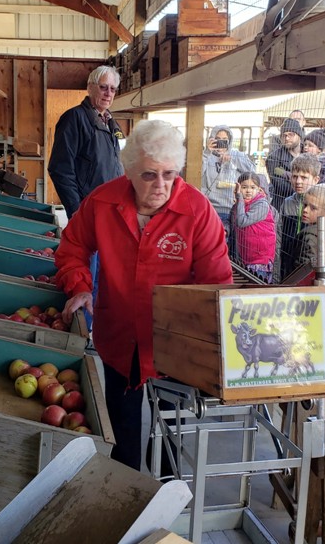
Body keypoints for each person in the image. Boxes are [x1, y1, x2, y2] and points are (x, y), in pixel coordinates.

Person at [54, 119, 233, 471]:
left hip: (176, 341)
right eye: (150, 175)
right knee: (122, 428)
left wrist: (208, 344)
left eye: (169, 174)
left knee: (171, 430)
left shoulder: (197, 211)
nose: (161, 185)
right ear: (129, 171)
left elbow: (217, 282)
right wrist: (79, 287)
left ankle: (166, 497)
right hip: (119, 332)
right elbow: (72, 247)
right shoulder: (102, 202)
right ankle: (126, 491)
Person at [48, 65, 124, 219]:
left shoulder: (111, 123)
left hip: (111, 207)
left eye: (113, 89)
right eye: (103, 87)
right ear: (90, 88)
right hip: (88, 208)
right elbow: (60, 169)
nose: (108, 93)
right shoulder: (74, 119)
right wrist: (77, 212)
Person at [201, 125, 257, 233]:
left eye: (224, 140)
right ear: (212, 138)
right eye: (218, 139)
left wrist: (233, 159)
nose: (221, 143)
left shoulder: (236, 155)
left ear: (230, 141)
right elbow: (197, 173)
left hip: (231, 209)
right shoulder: (206, 156)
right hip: (210, 209)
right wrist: (207, 152)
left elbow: (252, 170)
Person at [277, 154, 322, 280]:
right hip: (287, 260)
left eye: (304, 177)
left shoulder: (323, 204)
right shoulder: (287, 203)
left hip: (311, 265)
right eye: (295, 177)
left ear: (316, 179)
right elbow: (279, 234)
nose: (298, 182)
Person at [230, 171, 277, 283]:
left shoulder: (262, 205)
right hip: (247, 257)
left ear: (258, 189)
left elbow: (241, 221)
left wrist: (239, 198)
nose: (248, 191)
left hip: (260, 260)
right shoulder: (241, 205)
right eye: (244, 187)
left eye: (252, 187)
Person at [291, 183, 325, 274]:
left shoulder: (310, 235)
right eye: (305, 205)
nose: (305, 210)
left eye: (313, 208)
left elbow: (302, 271)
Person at [266, 118, 304, 210]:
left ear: (299, 135)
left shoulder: (308, 155)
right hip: (282, 207)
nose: (287, 138)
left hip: (305, 207)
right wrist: (305, 189)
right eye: (284, 135)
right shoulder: (273, 158)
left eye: (291, 135)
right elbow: (281, 187)